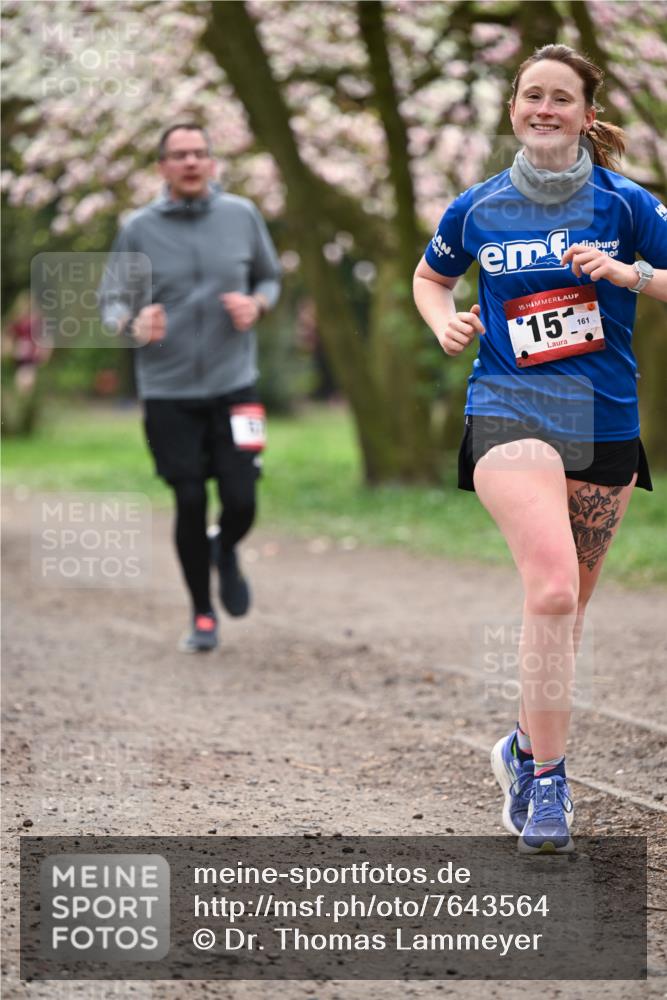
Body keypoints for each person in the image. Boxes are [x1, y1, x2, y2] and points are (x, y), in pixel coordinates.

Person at [413, 45, 667, 854]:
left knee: (568, 611)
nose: (544, 108)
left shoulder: (626, 204)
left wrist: (626, 275)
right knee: (553, 591)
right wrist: (443, 321)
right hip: (507, 409)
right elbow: (429, 277)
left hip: (603, 421)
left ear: (587, 115)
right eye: (532, 95)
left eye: (561, 97)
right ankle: (549, 783)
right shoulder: (477, 206)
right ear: (513, 109)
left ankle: (523, 747)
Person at [100, 123, 281, 653]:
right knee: (188, 497)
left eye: (200, 153)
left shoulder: (242, 215)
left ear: (212, 162)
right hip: (167, 391)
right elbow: (111, 299)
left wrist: (258, 304)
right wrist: (133, 324)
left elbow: (269, 277)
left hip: (236, 385)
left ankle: (225, 547)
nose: (191, 162)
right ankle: (202, 613)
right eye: (179, 155)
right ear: (163, 167)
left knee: (242, 499)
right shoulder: (138, 228)